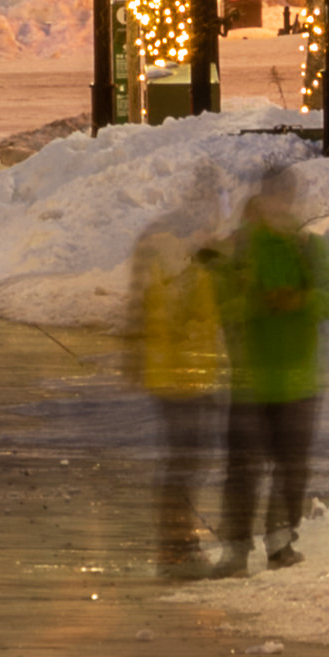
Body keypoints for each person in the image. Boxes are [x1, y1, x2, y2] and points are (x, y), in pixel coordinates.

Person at [212, 166, 329, 569]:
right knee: (244, 470)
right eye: (274, 195)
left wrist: (300, 301)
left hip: (297, 379)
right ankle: (237, 548)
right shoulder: (243, 249)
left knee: (289, 469)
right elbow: (224, 304)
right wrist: (257, 303)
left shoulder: (307, 248)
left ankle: (279, 541)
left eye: (285, 195)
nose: (279, 203)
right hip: (254, 378)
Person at [124, 203, 227, 572]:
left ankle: (178, 540)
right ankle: (175, 543)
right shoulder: (178, 258)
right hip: (178, 374)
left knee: (187, 459)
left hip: (188, 371)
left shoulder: (185, 257)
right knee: (185, 460)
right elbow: (180, 312)